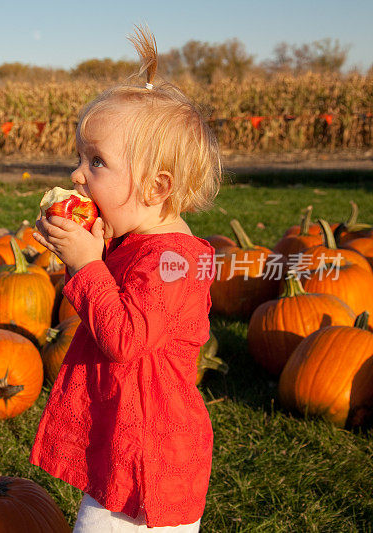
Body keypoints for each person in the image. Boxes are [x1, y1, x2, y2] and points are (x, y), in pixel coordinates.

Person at [30, 25, 222, 532]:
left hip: (147, 460)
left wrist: (87, 265)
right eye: (79, 159)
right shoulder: (141, 244)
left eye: (96, 162)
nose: (77, 175)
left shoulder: (172, 262)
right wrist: (84, 243)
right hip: (130, 439)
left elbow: (124, 336)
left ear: (158, 186)